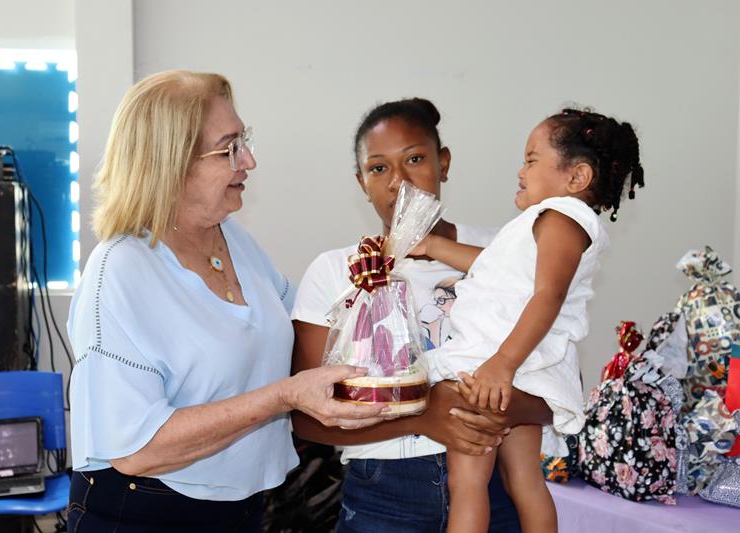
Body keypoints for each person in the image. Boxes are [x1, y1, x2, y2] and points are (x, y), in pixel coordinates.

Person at [65, 70, 387, 532]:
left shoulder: (234, 241)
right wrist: (283, 397)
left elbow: (303, 336)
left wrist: (385, 308)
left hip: (240, 507)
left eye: (245, 140)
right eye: (229, 148)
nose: (249, 160)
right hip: (143, 514)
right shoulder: (119, 270)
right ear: (170, 163)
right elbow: (137, 449)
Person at [291, 97, 554, 532]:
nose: (399, 182)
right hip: (384, 495)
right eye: (379, 168)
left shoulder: (503, 254)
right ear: (362, 182)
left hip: (497, 486)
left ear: (443, 163)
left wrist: (497, 408)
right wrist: (425, 415)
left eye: (415, 159)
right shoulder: (336, 270)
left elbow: (557, 391)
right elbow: (307, 418)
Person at [415, 108, 644, 532]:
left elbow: (548, 295)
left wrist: (501, 365)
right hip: (519, 370)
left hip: (494, 365)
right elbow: (491, 269)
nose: (521, 170)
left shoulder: (562, 216)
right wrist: (432, 247)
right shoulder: (541, 225)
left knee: (467, 484)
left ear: (576, 178)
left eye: (532, 159)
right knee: (522, 479)